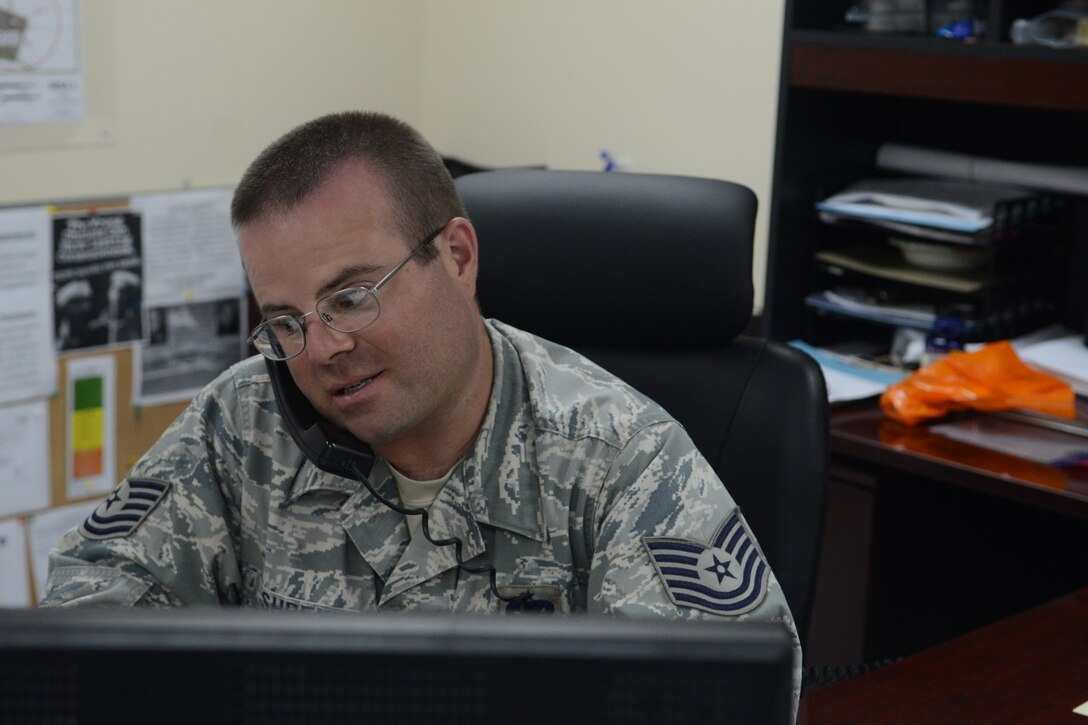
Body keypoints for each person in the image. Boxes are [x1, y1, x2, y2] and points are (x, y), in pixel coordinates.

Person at [42, 110, 800, 703]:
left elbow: (718, 697)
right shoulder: (239, 422)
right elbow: (84, 620)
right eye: (286, 320)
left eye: (351, 296)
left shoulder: (619, 456)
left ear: (459, 258)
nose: (321, 347)